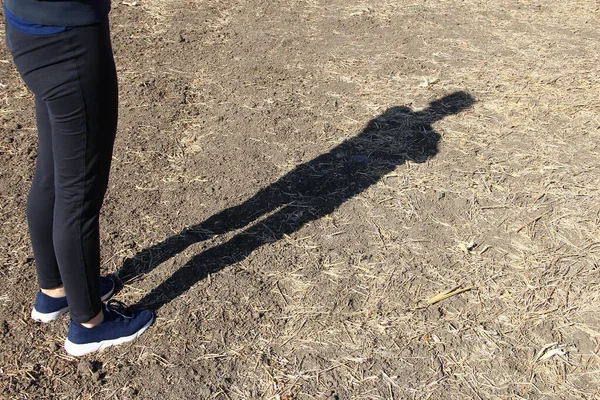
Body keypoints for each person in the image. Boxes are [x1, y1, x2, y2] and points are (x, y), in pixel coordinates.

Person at [3, 0, 154, 356]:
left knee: (53, 171)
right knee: (79, 194)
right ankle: (89, 324)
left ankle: (54, 291)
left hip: (27, 27)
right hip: (69, 37)